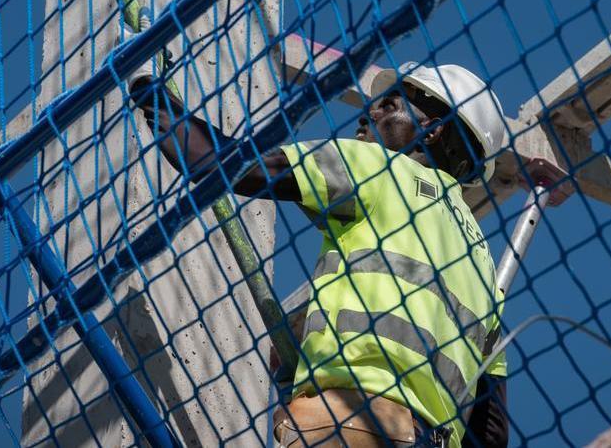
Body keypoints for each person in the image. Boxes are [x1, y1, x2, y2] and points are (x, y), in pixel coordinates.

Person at [129, 58, 510, 448]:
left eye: (390, 105)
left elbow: (235, 166)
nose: (368, 113)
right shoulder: (482, 265)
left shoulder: (381, 167)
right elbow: (491, 430)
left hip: (354, 419)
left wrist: (150, 93)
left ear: (431, 129)